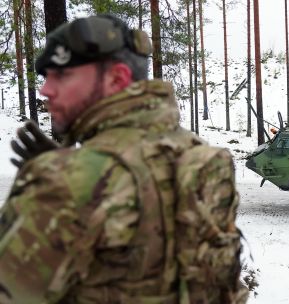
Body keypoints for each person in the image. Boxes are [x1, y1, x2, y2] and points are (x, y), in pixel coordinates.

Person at [0, 15, 247, 303]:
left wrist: (56, 181)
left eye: (62, 76)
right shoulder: (201, 155)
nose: (45, 90)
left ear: (118, 78)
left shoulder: (63, 181)